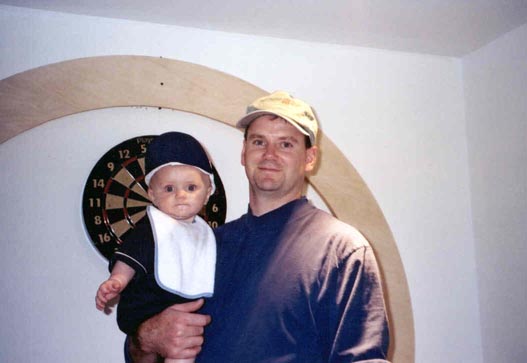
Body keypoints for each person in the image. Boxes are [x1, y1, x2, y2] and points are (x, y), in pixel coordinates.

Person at [127, 91, 391, 362]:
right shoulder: (203, 244)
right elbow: (141, 350)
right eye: (258, 141)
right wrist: (148, 338)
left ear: (310, 158)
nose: (269, 155)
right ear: (244, 153)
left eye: (286, 144)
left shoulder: (342, 250)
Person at [95, 131, 217, 363]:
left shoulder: (206, 235)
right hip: (145, 308)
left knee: (184, 353)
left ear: (208, 192)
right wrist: (117, 281)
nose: (180, 195)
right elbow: (131, 256)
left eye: (191, 188)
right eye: (169, 189)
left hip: (179, 316)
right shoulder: (150, 229)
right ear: (152, 194)